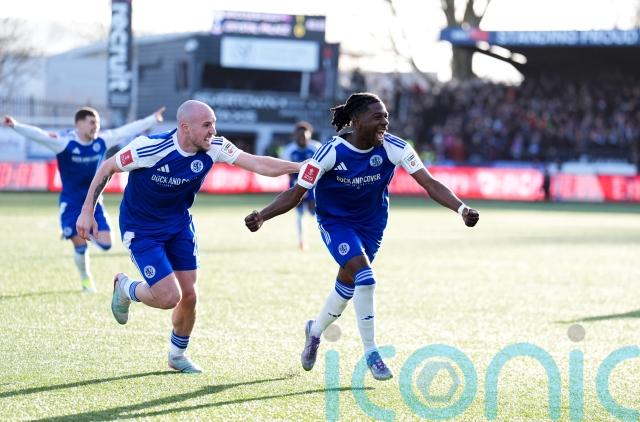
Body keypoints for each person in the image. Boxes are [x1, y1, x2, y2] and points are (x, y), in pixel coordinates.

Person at [244, 92, 479, 381]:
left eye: (386, 117)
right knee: (365, 278)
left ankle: (314, 331)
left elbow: (429, 183)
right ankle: (372, 353)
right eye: (377, 117)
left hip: (372, 226)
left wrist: (461, 208)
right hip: (336, 223)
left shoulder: (395, 147)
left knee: (347, 286)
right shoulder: (330, 152)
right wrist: (263, 216)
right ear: (356, 121)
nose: (385, 122)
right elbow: (296, 193)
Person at [76, 100, 300, 373]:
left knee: (190, 296)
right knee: (169, 297)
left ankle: (177, 355)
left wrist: (299, 167)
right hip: (142, 229)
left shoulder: (215, 146)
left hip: (179, 225)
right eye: (206, 125)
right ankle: (125, 288)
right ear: (185, 127)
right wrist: (87, 211)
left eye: (214, 124)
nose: (213, 131)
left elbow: (257, 163)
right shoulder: (150, 148)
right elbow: (107, 168)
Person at [3, 107, 165, 293]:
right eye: (92, 122)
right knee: (80, 246)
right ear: (78, 124)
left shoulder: (102, 141)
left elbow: (126, 130)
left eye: (98, 123)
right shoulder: (64, 142)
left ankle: (75, 231)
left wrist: (153, 119)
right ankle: (86, 279)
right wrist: (15, 125)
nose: (96, 127)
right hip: (71, 203)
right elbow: (39, 135)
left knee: (106, 244)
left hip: (94, 202)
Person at [279, 121, 322, 250]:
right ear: (295, 136)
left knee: (317, 213)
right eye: (300, 135)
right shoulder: (288, 150)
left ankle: (326, 237)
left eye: (305, 135)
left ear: (310, 135)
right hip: (296, 184)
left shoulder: (316, 148)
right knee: (300, 213)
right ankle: (302, 241)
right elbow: (287, 171)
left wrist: (312, 188)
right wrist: (298, 188)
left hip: (314, 185)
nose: (302, 138)